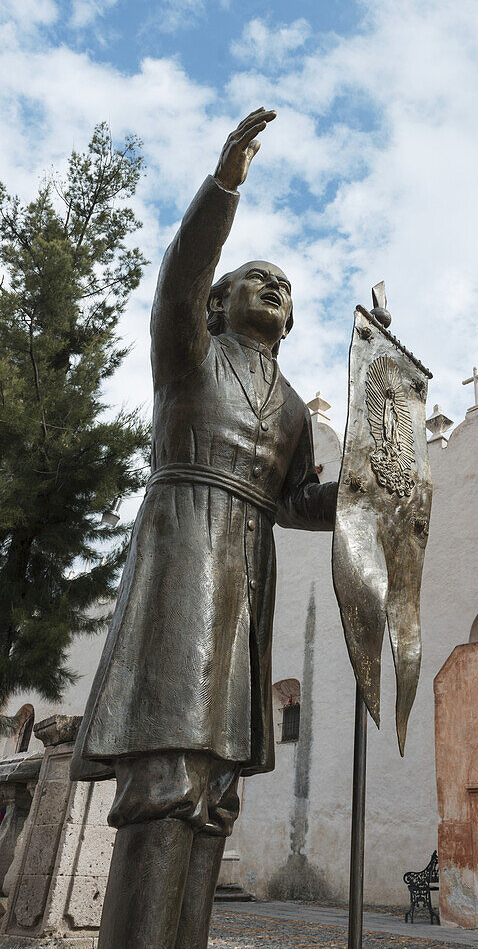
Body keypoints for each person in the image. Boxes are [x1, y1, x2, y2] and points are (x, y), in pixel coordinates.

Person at [71, 108, 338, 949]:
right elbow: (178, 279)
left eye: (285, 289)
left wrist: (375, 494)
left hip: (249, 565)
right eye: (259, 279)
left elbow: (298, 502)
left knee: (217, 782)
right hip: (185, 545)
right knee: (169, 765)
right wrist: (224, 187)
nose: (275, 291)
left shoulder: (293, 408)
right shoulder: (190, 353)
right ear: (221, 306)